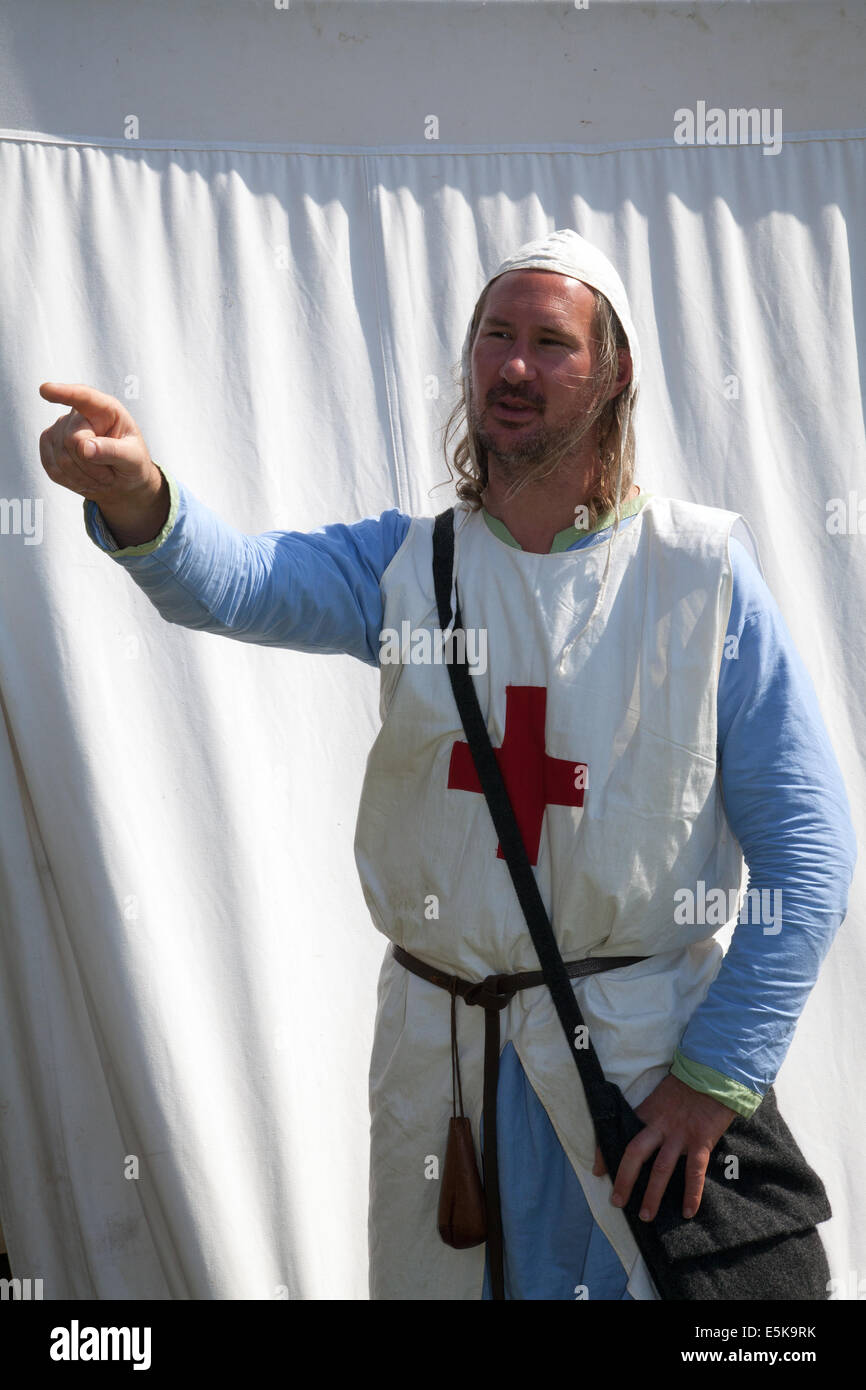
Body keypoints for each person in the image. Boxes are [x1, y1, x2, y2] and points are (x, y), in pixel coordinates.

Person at [39, 229, 856, 1301]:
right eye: (493, 336)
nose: (512, 366)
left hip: (634, 1066)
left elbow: (809, 851)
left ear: (612, 376)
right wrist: (141, 495)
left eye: (549, 344)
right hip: (448, 1074)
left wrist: (713, 1081)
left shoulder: (696, 576)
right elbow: (239, 582)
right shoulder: (410, 565)